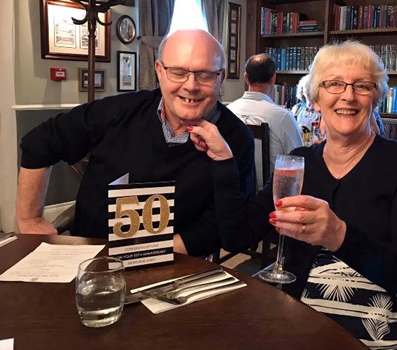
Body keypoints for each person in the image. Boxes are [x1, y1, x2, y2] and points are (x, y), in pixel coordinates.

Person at [188, 40, 397, 349]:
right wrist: (224, 162)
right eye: (334, 84)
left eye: (363, 86)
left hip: (393, 329)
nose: (348, 96)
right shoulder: (299, 163)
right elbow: (237, 235)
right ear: (314, 99)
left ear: (376, 97)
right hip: (305, 322)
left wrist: (340, 234)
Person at [15, 29, 255, 256]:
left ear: (221, 77)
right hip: (91, 256)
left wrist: (145, 254)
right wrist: (30, 219)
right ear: (159, 70)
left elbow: (219, 227)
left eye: (205, 75)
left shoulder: (235, 139)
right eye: (178, 72)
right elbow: (40, 142)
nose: (190, 86)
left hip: (175, 263)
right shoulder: (117, 111)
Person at [227, 53, 303, 188]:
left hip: (234, 192)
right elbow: (298, 161)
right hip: (269, 197)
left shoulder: (229, 112)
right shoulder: (283, 117)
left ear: (245, 77)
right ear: (274, 78)